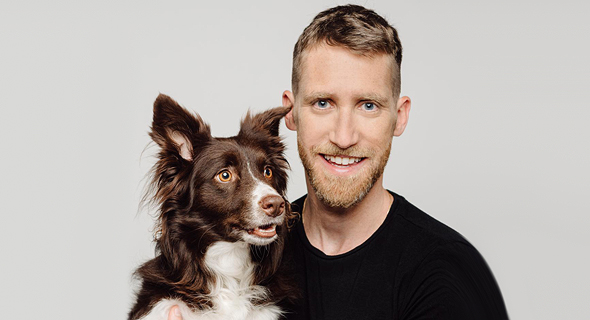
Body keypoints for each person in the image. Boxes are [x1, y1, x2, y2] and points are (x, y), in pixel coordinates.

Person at [168, 4, 508, 319]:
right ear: (291, 112)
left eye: (368, 105)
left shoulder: (447, 273)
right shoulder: (243, 251)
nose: (344, 137)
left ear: (400, 117)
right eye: (322, 103)